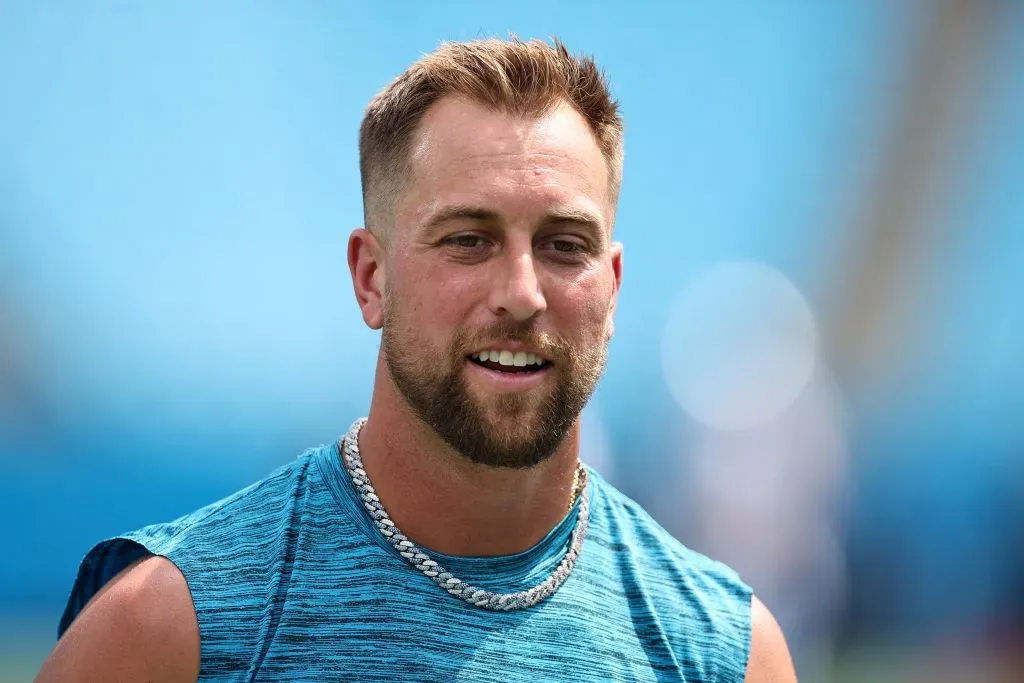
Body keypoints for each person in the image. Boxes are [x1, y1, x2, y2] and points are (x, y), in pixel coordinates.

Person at [37, 37, 796, 682]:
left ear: (614, 288)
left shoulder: (722, 651)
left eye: (565, 245)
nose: (523, 293)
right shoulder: (179, 624)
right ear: (372, 277)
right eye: (469, 239)